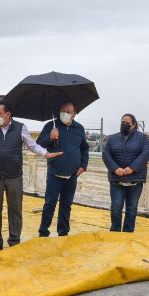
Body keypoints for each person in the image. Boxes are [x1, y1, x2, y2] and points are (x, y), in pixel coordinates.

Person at [0, 99, 62, 253]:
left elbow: (33, 145)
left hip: (14, 176)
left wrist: (46, 154)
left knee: (15, 209)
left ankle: (14, 240)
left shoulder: (20, 128)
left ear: (7, 115)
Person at [36, 101, 89, 238]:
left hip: (72, 175)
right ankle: (43, 232)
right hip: (55, 174)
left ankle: (63, 232)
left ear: (74, 114)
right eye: (62, 110)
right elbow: (39, 144)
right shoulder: (51, 126)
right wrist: (50, 137)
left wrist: (83, 165)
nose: (64, 114)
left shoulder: (79, 129)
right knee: (49, 204)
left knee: (66, 205)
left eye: (68, 112)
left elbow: (84, 148)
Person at [102, 113, 149, 232]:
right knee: (116, 206)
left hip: (135, 180)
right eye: (122, 122)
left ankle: (128, 232)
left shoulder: (142, 138)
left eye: (127, 123)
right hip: (117, 180)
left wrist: (132, 168)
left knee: (132, 208)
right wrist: (115, 169)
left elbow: (146, 153)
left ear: (134, 125)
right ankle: (115, 230)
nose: (124, 125)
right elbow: (106, 154)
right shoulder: (112, 138)